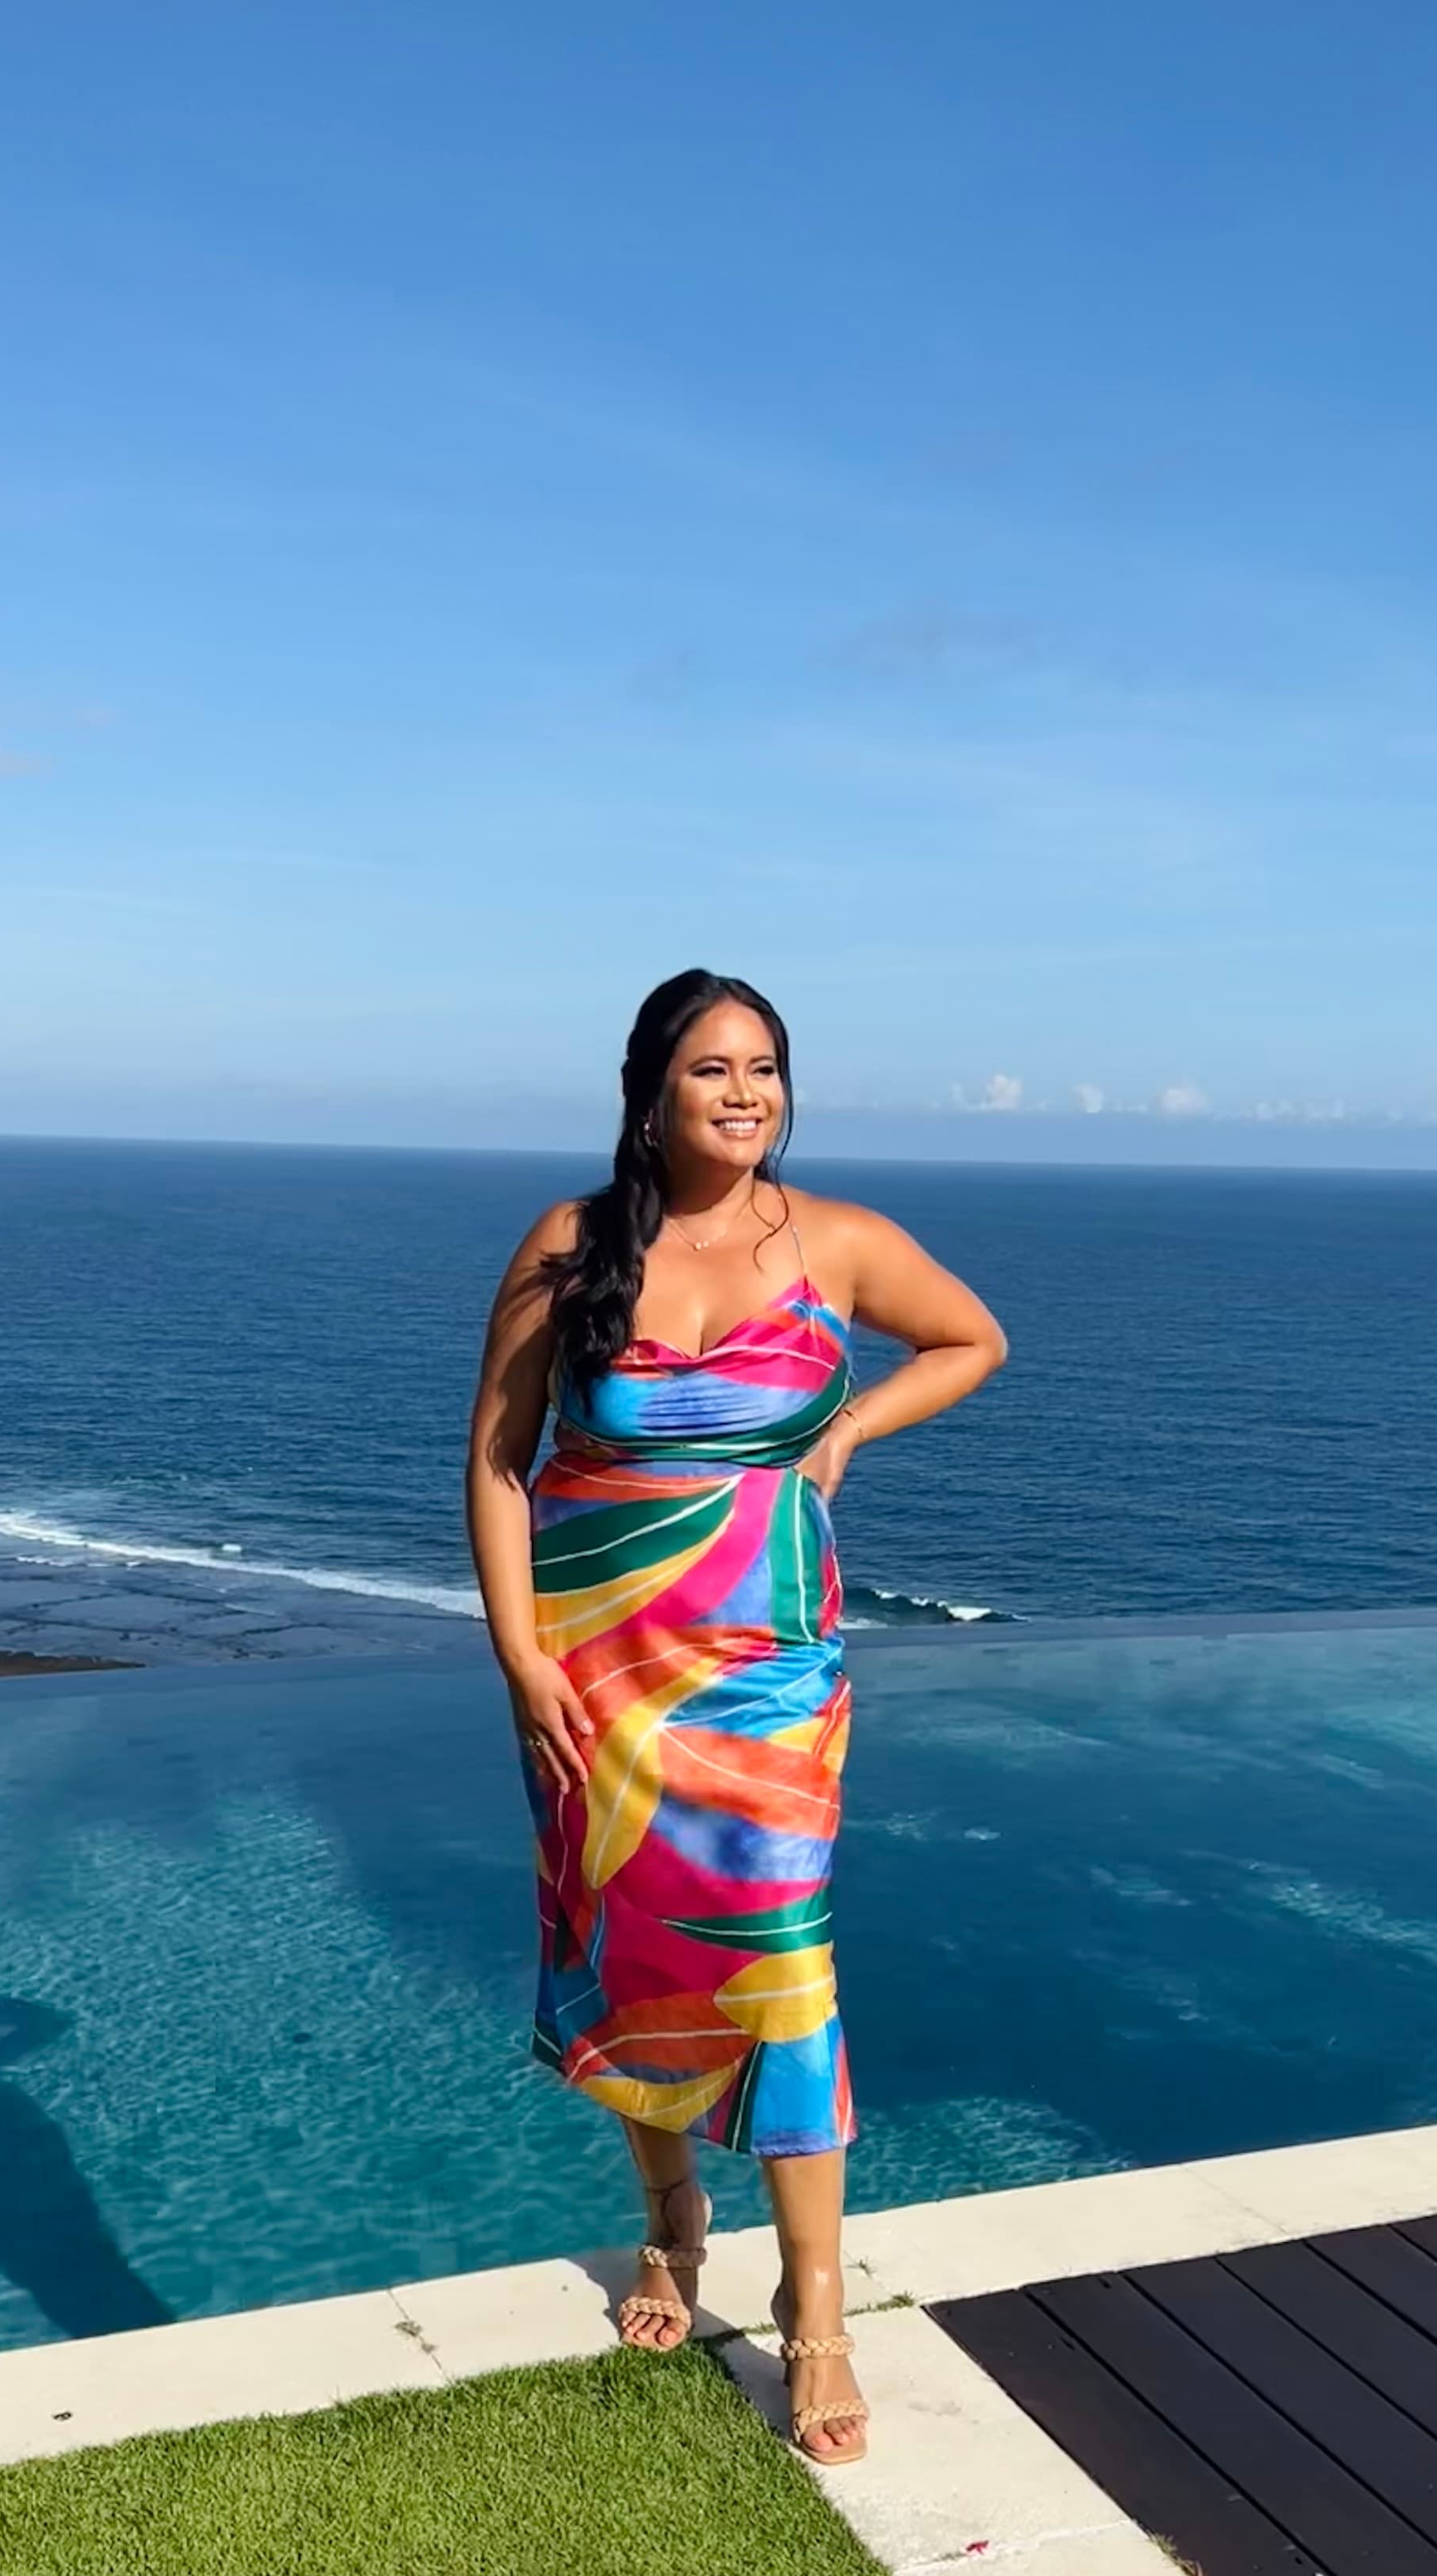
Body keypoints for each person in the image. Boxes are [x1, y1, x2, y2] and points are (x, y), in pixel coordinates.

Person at [465, 967, 1006, 2465]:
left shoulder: (840, 1243)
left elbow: (971, 1342)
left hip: (767, 1665)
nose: (744, 1093)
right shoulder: (571, 1245)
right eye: (711, 1069)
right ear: (650, 1087)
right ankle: (667, 2224)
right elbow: (501, 1462)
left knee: (775, 1956)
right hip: (595, 1660)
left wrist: (844, 1424)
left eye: (763, 1066)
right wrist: (523, 1662)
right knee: (632, 1948)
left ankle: (814, 2304)